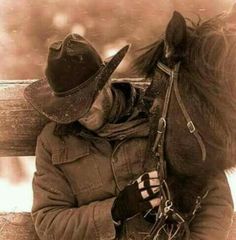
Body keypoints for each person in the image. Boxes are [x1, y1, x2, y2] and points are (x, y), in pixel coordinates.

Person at [24, 33, 233, 240]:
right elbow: (49, 222)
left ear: (106, 82)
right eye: (70, 106)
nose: (81, 112)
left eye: (87, 99)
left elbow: (215, 199)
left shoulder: (164, 117)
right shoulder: (53, 142)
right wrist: (116, 209)